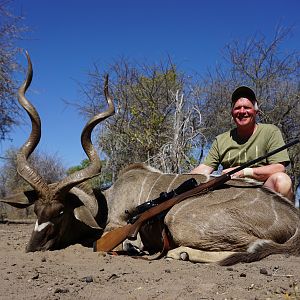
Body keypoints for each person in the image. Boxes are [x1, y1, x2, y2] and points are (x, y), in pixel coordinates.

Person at [191, 86, 294, 202]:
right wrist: (182, 180)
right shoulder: (221, 139)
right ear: (232, 113)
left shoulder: (270, 131)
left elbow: (279, 168)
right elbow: (205, 168)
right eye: (237, 108)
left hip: (263, 192)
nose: (242, 111)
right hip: (229, 193)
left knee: (282, 180)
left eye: (247, 107)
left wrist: (243, 172)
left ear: (256, 112)